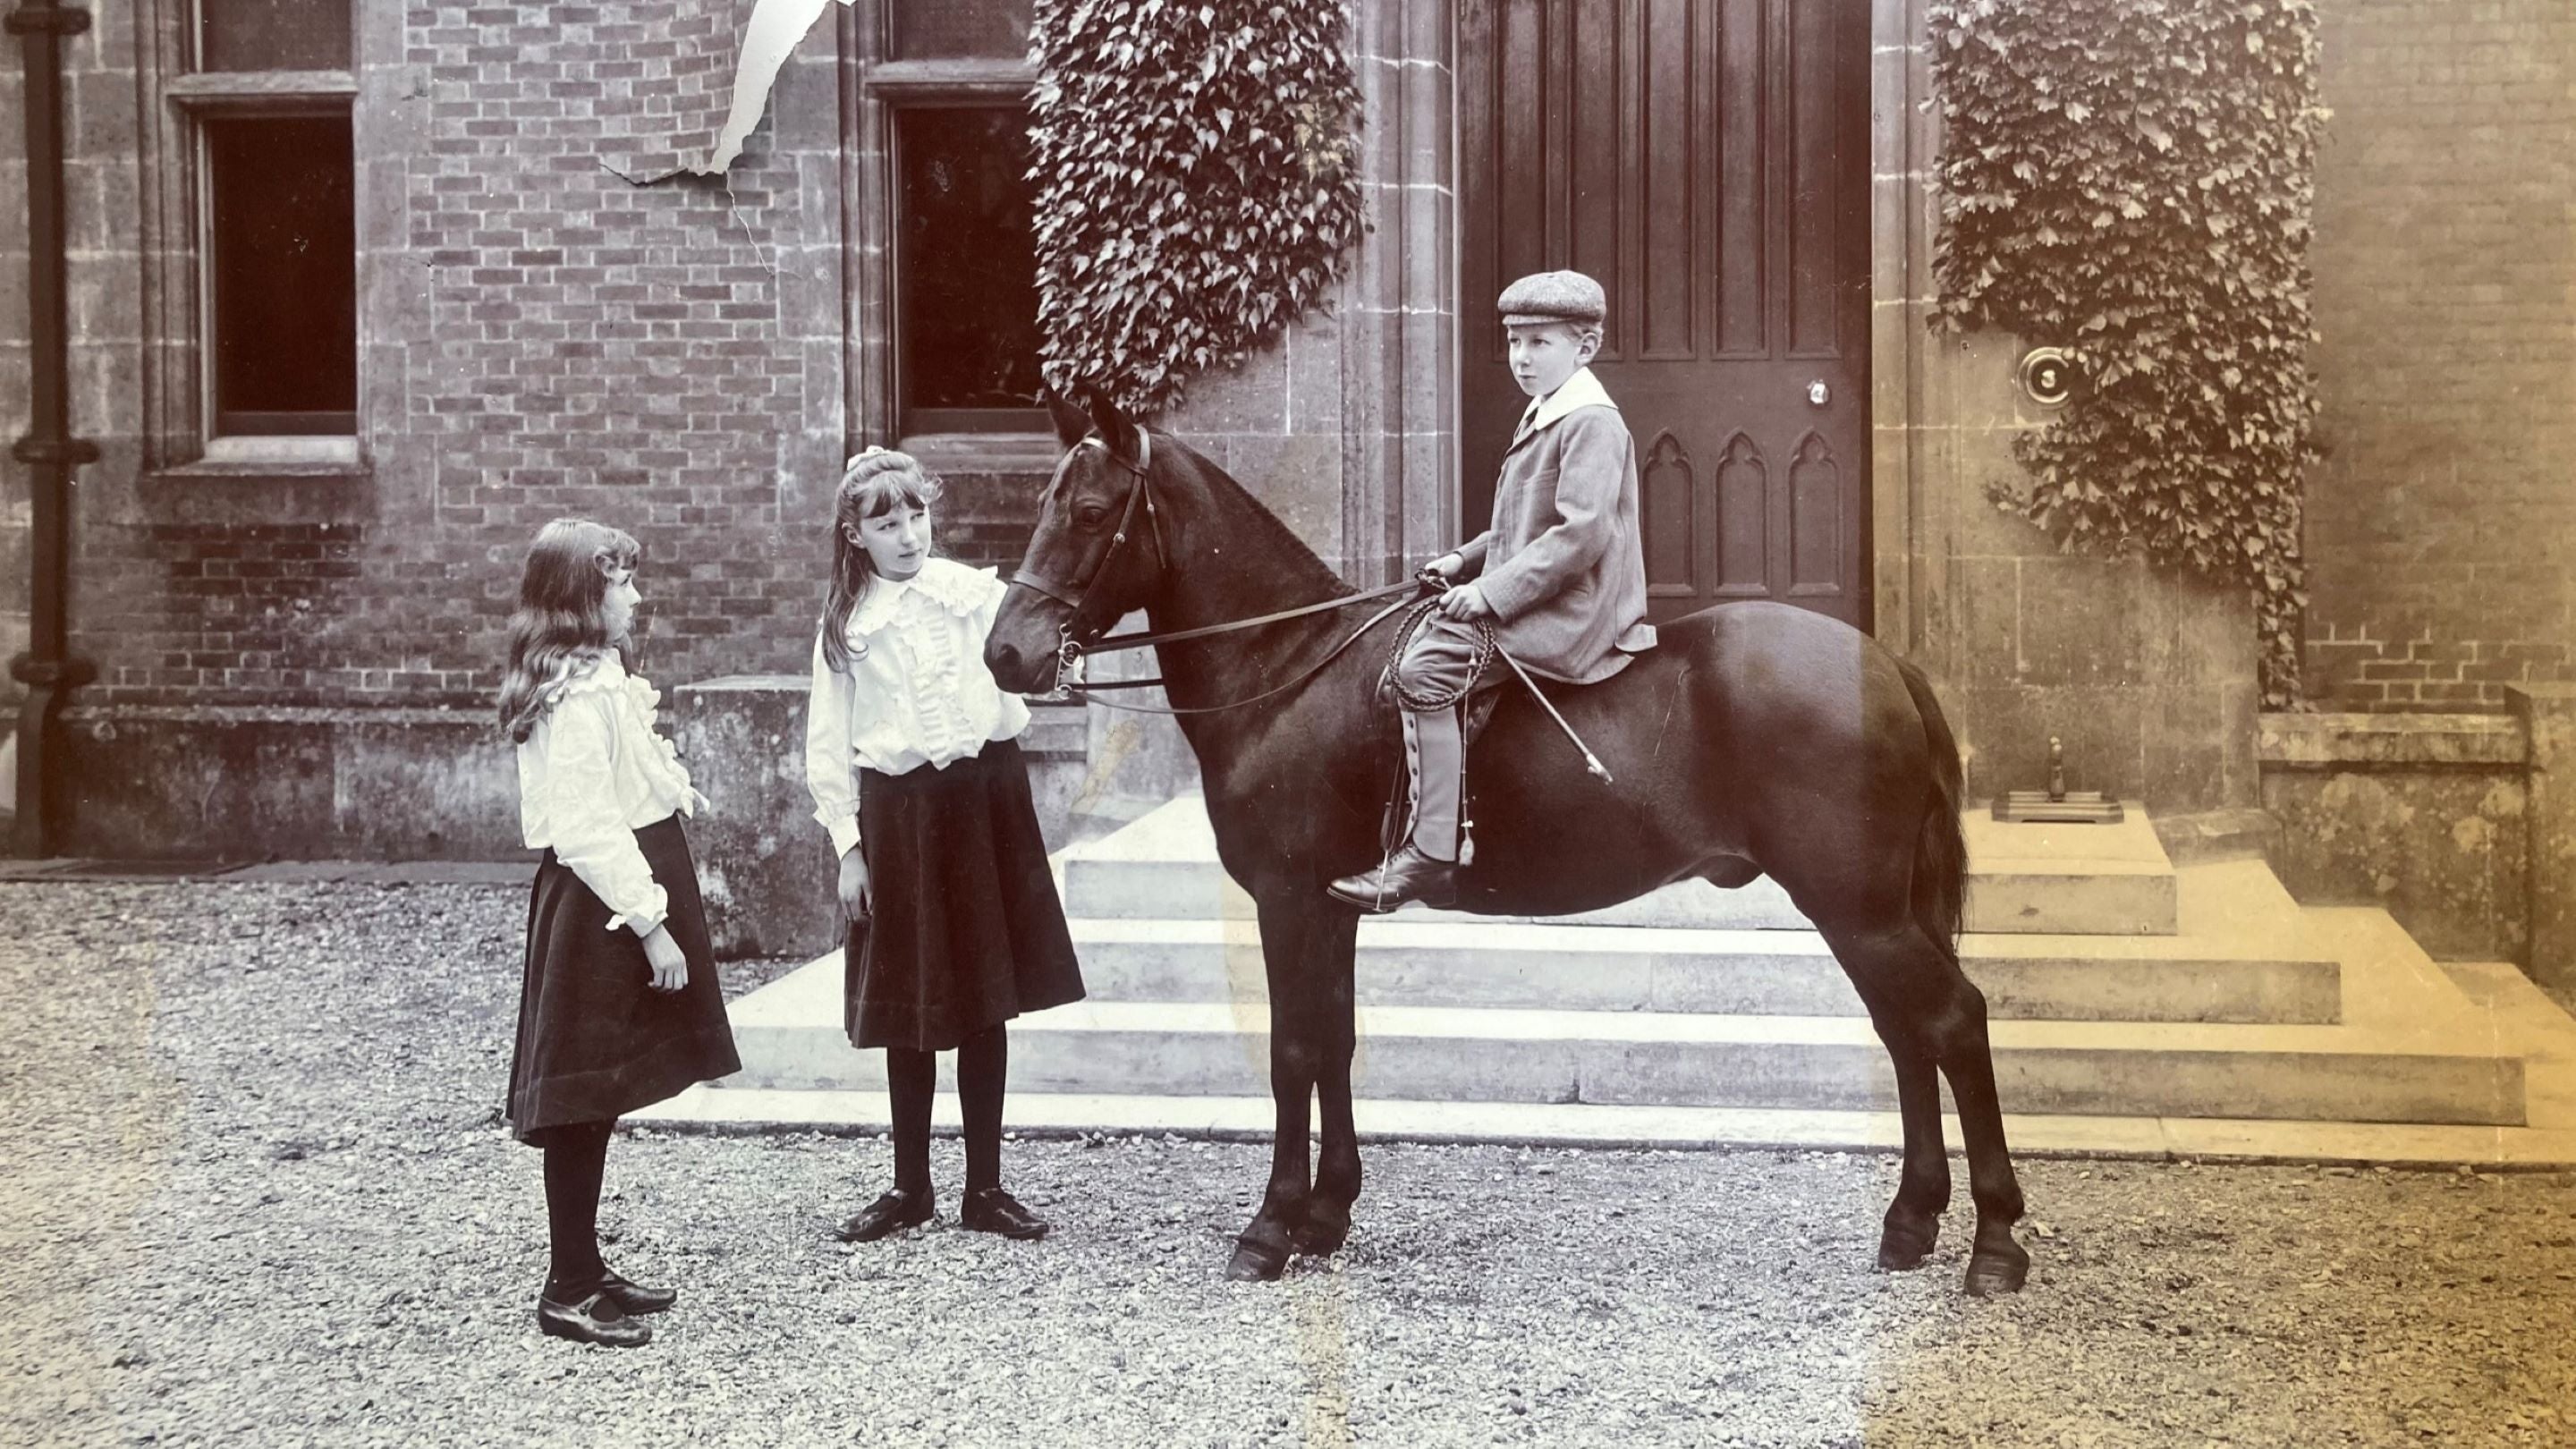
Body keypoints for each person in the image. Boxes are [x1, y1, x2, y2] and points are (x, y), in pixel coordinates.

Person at [803, 447, 1086, 1243]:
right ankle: (910, 1186)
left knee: (985, 996)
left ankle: (985, 1188)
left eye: (916, 516)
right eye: (885, 523)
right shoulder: (847, 627)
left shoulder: (975, 595)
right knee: (914, 1005)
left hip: (984, 801)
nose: (907, 535)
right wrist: (848, 849)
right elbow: (828, 746)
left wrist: (1060, 664)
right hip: (901, 818)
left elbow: (1027, 664)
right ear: (855, 535)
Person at [1329, 269, 1658, 912]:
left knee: (1423, 670)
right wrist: (1462, 559)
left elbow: (1580, 536)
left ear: (1584, 348)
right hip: (1544, 592)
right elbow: (1518, 528)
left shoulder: (1590, 422)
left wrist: (1490, 594)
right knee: (1416, 632)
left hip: (1576, 607)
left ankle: (1427, 855)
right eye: (1514, 341)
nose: (1522, 357)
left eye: (1540, 342)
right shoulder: (1547, 413)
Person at [498, 518, 741, 1348]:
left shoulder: (602, 674)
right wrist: (651, 925)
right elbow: (587, 824)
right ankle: (565, 1286)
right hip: (602, 906)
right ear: (580, 600)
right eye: (621, 584)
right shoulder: (575, 692)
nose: (636, 596)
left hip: (629, 883)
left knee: (600, 1094)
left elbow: (627, 780)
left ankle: (587, 1263)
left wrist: (676, 797)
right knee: (581, 1093)